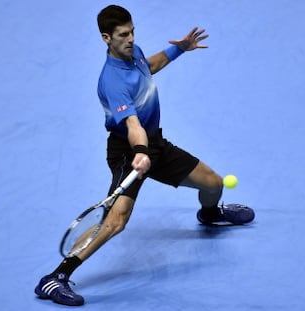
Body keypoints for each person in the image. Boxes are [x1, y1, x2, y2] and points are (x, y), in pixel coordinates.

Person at [35, 4, 255, 306]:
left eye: (132, 31)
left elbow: (148, 66)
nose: (131, 38)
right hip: (128, 150)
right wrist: (139, 153)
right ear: (105, 38)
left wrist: (179, 50)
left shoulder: (132, 51)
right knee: (116, 221)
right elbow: (132, 124)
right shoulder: (111, 81)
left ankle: (210, 214)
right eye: (123, 34)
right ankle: (54, 278)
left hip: (155, 144)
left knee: (213, 183)